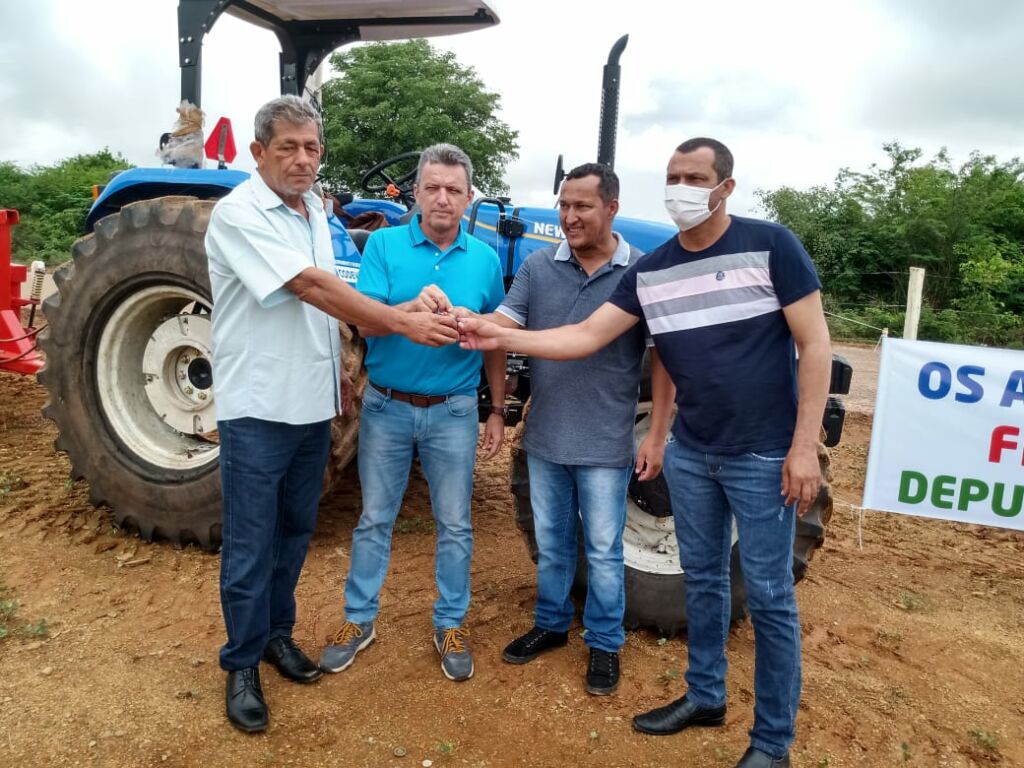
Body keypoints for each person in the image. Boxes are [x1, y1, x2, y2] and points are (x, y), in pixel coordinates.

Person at [457, 138, 831, 768]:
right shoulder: (651, 270)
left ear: (725, 187)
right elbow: (583, 336)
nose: (681, 188)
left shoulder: (771, 245)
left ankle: (772, 744)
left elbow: (815, 345)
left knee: (769, 597)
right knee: (704, 581)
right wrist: (491, 331)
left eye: (696, 178)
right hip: (693, 452)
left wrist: (803, 447)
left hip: (763, 454)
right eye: (673, 176)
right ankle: (705, 696)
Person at [205, 95, 459, 734]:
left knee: (295, 532)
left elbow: (324, 309)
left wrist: (340, 375)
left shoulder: (315, 211)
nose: (302, 159)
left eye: (312, 147)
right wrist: (400, 322)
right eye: (287, 147)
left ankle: (277, 635)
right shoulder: (239, 213)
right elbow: (311, 287)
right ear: (258, 152)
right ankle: (241, 664)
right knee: (251, 542)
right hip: (259, 408)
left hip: (313, 405)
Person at [467, 162, 671, 695]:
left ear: (612, 208)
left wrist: (656, 434)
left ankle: (604, 643)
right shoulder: (539, 265)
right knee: (554, 543)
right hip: (545, 438)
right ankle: (552, 623)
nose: (569, 216)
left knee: (603, 550)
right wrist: (468, 319)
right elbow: (505, 323)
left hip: (605, 443)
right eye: (564, 205)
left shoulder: (641, 273)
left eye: (582, 206)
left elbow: (663, 361)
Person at [319, 143, 506, 683]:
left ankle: (450, 623)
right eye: (433, 187)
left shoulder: (486, 259)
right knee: (375, 519)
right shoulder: (383, 244)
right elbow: (363, 323)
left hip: (454, 412)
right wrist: (407, 309)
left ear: (468, 198)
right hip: (386, 408)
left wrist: (496, 408)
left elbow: (495, 340)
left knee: (455, 524)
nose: (443, 198)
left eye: (454, 189)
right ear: (416, 193)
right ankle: (359, 619)